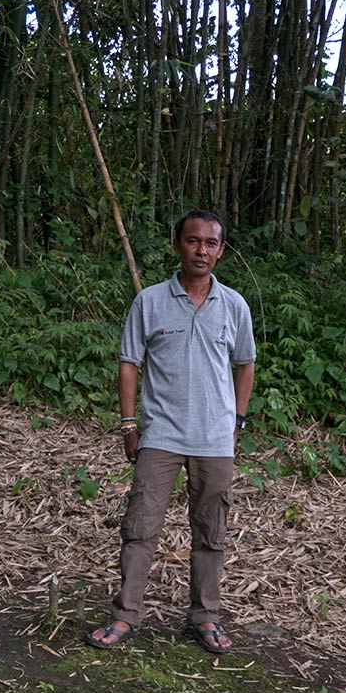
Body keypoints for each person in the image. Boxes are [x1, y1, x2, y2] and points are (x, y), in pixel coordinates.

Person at [84, 210, 256, 654]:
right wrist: (128, 423)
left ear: (221, 249)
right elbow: (129, 362)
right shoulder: (151, 301)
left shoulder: (234, 305)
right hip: (160, 435)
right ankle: (125, 616)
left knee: (211, 531)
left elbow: (244, 363)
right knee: (140, 528)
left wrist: (236, 420)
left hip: (214, 437)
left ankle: (205, 617)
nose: (202, 250)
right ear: (178, 244)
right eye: (193, 241)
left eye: (211, 243)